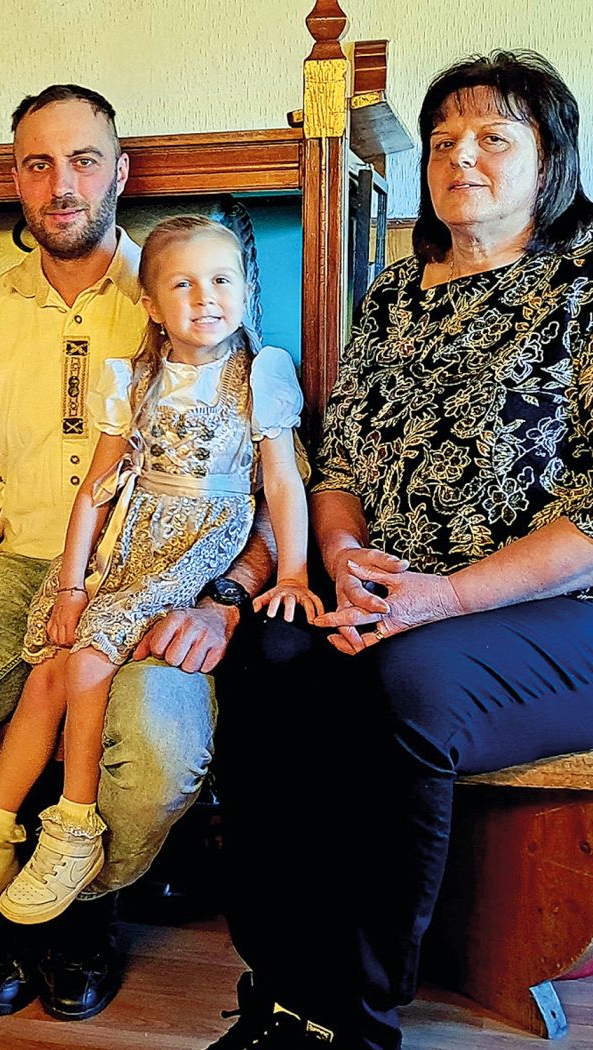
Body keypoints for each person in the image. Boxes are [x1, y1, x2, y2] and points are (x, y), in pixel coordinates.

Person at [0, 85, 281, 1022]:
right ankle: (18, 883)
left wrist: (226, 596)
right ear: (15, 179)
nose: (62, 184)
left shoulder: (191, 290)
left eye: (84, 160)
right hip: (23, 567)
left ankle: (80, 901)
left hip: (156, 577)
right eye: (38, 164)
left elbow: (264, 491)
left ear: (120, 172)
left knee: (164, 751)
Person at [209, 51, 593, 1050]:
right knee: (270, 650)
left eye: (493, 137)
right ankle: (283, 991)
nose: (460, 157)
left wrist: (445, 597)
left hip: (555, 610)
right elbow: (339, 463)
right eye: (442, 140)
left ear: (551, 159)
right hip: (393, 593)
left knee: (408, 684)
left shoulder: (584, 285)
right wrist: (341, 559)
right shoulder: (392, 296)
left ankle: (354, 1021)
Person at [0, 217, 315, 935]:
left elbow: (282, 483)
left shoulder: (261, 375)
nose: (206, 298)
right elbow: (96, 490)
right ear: (151, 304)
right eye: (183, 284)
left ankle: (73, 824)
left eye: (222, 280)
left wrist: (291, 571)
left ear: (246, 290)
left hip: (194, 544)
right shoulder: (133, 378)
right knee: (48, 669)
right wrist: (72, 584)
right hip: (127, 538)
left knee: (87, 661)